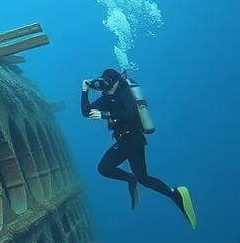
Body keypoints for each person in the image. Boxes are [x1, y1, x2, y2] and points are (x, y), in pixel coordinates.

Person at [80, 68, 196, 228]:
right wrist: (85, 90)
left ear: (116, 81)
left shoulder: (124, 92)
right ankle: (167, 191)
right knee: (130, 174)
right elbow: (86, 112)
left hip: (133, 139)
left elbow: (133, 114)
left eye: (108, 83)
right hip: (127, 141)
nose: (105, 86)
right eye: (103, 83)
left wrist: (107, 115)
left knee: (114, 170)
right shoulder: (107, 98)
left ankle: (164, 190)